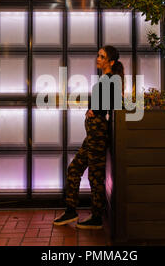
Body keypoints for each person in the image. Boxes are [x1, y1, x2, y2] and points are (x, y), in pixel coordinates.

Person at [53, 45, 124, 230]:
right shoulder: (105, 79)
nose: (98, 58)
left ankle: (96, 217)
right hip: (93, 134)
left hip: (98, 134)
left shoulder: (112, 80)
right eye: (98, 55)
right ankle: (71, 210)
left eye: (102, 56)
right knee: (75, 169)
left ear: (111, 61)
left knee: (95, 175)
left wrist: (95, 111)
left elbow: (114, 104)